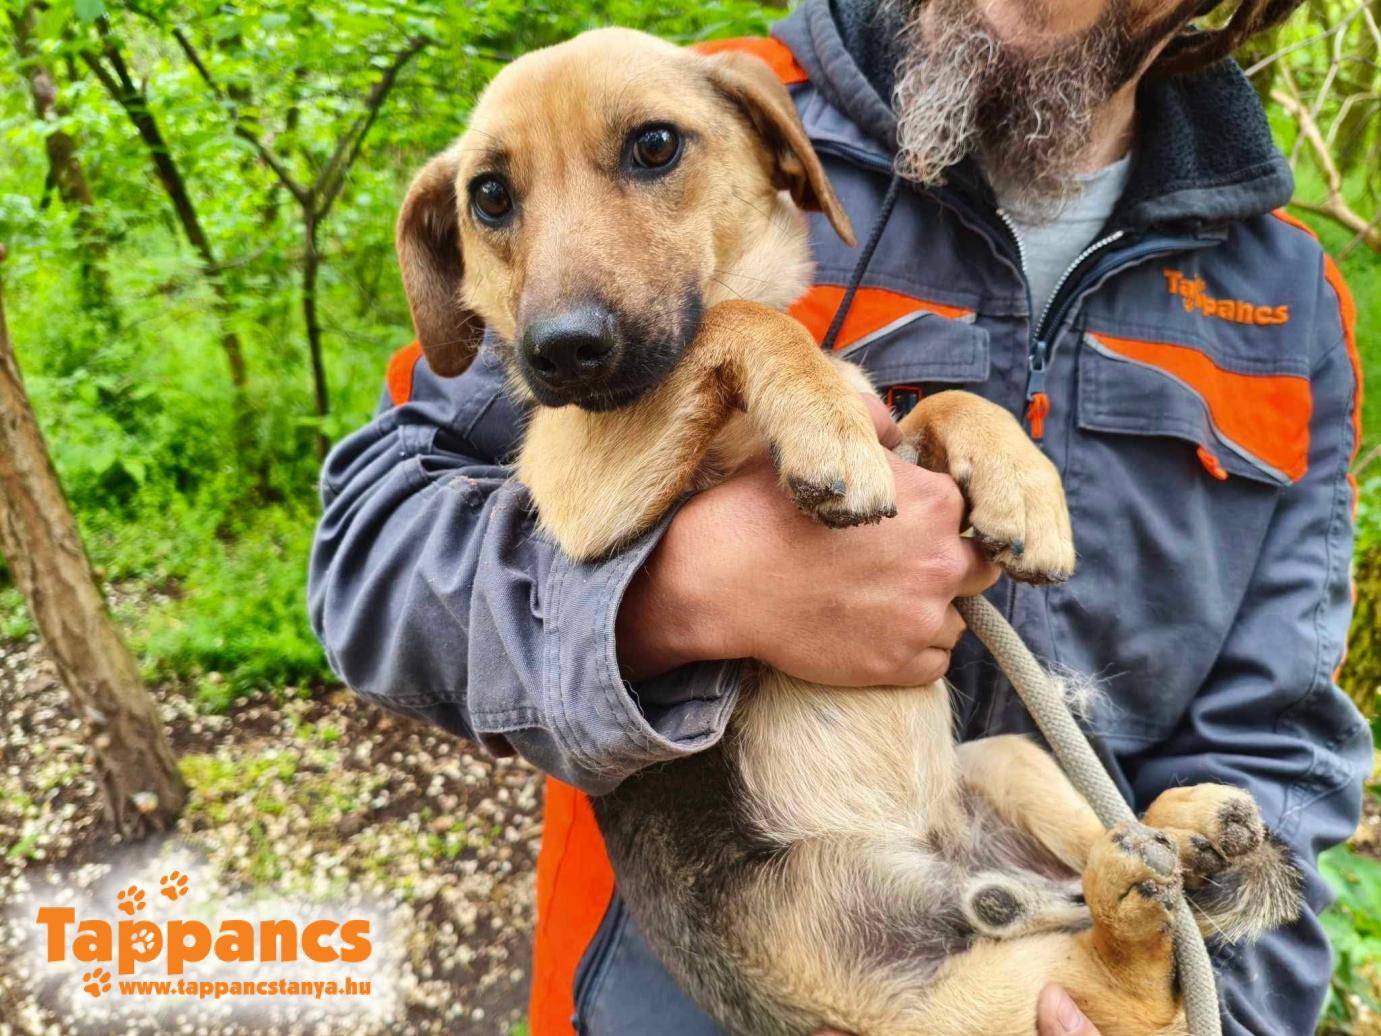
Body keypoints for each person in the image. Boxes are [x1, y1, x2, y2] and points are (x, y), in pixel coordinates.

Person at [307, 0, 1371, 1032]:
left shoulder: (1290, 298)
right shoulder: (640, 107)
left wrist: (1218, 1013)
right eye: (496, 202)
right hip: (724, 957)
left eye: (650, 156)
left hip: (1021, 893)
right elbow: (367, 556)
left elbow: (1276, 749)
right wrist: (679, 598)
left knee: (1056, 807)